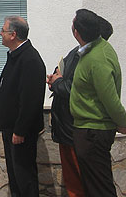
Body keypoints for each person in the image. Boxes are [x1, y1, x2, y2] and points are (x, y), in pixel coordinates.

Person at [47, 14, 114, 197]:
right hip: (66, 128)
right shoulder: (76, 53)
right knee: (74, 182)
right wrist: (55, 79)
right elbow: (62, 73)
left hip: (79, 130)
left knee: (86, 182)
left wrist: (59, 82)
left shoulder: (94, 58)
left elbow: (78, 89)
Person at [69, 9, 126, 197]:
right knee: (93, 186)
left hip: (93, 132)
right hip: (87, 129)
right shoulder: (93, 49)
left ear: (77, 32)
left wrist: (123, 122)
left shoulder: (97, 58)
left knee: (100, 188)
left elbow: (109, 98)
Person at [0, 15, 46, 197]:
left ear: (13, 34)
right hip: (11, 127)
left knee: (24, 176)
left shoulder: (29, 59)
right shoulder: (16, 56)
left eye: (3, 30)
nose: (0, 33)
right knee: (15, 176)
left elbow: (30, 99)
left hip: (20, 131)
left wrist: (20, 130)